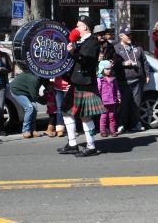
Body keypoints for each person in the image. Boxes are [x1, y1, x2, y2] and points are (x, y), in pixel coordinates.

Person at [58, 15, 106, 157]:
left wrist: (74, 52)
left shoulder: (93, 43)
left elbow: (87, 62)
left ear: (85, 27)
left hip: (86, 84)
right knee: (66, 111)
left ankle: (91, 146)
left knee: (85, 117)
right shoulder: (81, 42)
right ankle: (72, 144)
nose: (76, 29)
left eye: (78, 26)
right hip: (76, 82)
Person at [113, 27, 150, 133]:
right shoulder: (116, 48)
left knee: (136, 104)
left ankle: (135, 124)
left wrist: (147, 75)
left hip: (137, 80)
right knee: (122, 105)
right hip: (122, 80)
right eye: (127, 34)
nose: (129, 36)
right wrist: (123, 64)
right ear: (121, 36)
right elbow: (113, 63)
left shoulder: (137, 47)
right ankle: (120, 124)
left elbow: (144, 61)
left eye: (130, 34)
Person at [10, 71, 48, 138]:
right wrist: (46, 102)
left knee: (35, 108)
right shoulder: (33, 79)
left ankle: (33, 130)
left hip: (27, 91)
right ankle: (26, 131)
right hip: (18, 91)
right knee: (30, 108)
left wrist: (49, 88)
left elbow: (45, 82)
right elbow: (35, 96)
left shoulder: (41, 75)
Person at [97, 60, 121, 137]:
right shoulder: (100, 79)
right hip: (104, 101)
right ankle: (103, 131)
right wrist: (98, 99)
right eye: (107, 69)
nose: (109, 70)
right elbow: (98, 89)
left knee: (112, 117)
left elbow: (116, 89)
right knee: (103, 117)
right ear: (102, 69)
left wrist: (118, 97)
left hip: (112, 101)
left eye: (110, 69)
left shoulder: (113, 79)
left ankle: (112, 131)